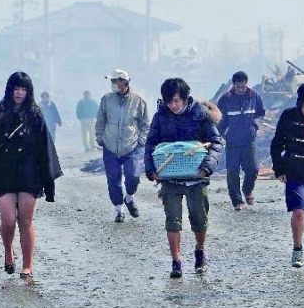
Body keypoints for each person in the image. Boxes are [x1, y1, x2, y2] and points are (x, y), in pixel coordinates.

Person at [0, 72, 62, 278]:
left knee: (25, 221)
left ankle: (27, 265)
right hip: (4, 173)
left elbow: (44, 148)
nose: (19, 93)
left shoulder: (35, 114)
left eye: (23, 89)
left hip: (29, 173)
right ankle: (8, 251)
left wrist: (48, 180)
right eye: (16, 88)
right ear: (10, 90)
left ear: (28, 91)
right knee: (8, 220)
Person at [144, 78, 223, 278]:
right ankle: (176, 261)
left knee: (199, 220)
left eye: (176, 100)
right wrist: (151, 170)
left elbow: (215, 142)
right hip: (169, 178)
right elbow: (150, 144)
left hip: (197, 177)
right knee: (172, 221)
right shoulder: (160, 117)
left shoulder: (200, 114)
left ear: (185, 98)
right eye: (169, 101)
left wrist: (207, 168)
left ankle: (200, 251)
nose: (173, 105)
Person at [270, 83, 304, 270]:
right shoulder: (288, 117)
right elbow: (276, 145)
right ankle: (297, 248)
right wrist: (279, 169)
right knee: (299, 211)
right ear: (300, 104)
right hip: (293, 171)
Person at [95, 69, 150, 222]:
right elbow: (100, 121)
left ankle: (129, 197)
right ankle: (119, 210)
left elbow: (145, 124)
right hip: (110, 146)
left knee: (133, 176)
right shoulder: (106, 99)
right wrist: (100, 138)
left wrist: (141, 141)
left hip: (131, 146)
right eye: (112, 81)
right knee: (113, 179)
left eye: (115, 81)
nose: (113, 84)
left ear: (124, 82)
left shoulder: (138, 100)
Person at [217, 71, 265, 210]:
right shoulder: (225, 99)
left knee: (253, 169)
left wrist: (255, 126)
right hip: (232, 141)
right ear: (233, 85)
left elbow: (260, 114)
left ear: (246, 84)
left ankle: (247, 190)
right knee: (232, 171)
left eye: (243, 86)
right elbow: (219, 120)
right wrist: (221, 134)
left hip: (249, 140)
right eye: (238, 87)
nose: (241, 89)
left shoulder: (254, 96)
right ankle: (237, 201)